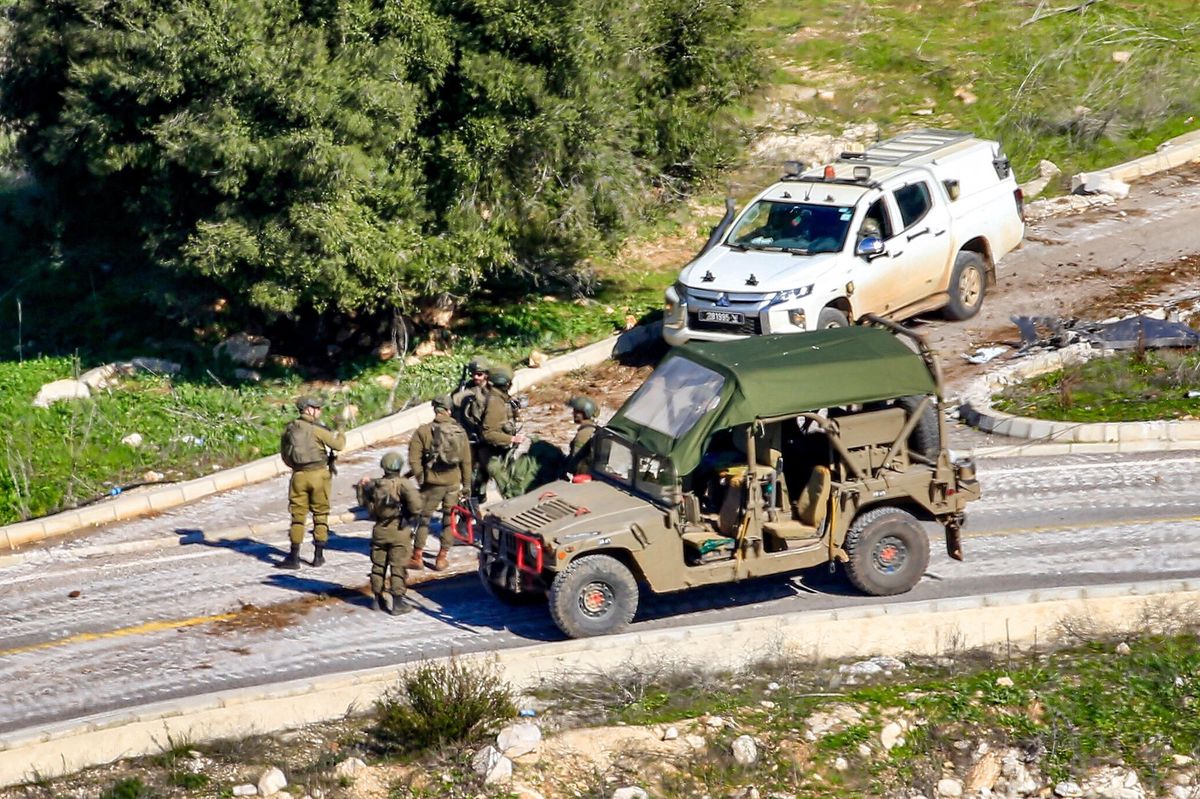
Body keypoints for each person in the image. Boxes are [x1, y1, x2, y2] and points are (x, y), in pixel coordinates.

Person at [278, 396, 345, 570]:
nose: (319, 410)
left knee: (298, 517)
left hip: (299, 476)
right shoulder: (317, 430)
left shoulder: (290, 429)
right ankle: (318, 556)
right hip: (319, 475)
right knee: (320, 515)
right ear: (309, 409)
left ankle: (293, 557)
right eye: (317, 407)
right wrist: (341, 429)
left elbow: (284, 454)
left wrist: (296, 467)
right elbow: (338, 445)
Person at [407, 394, 472, 571]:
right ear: (449, 410)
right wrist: (466, 486)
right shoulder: (459, 431)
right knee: (448, 520)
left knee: (424, 519)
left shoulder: (423, 431)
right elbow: (466, 461)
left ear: (434, 409)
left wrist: (422, 478)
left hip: (431, 484)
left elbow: (414, 459)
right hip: (453, 483)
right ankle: (441, 558)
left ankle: (417, 556)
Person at [356, 451, 421, 615]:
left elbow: (364, 504)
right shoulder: (404, 485)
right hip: (399, 530)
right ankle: (398, 602)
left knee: (378, 566)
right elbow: (417, 507)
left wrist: (361, 487)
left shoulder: (375, 485)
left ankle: (377, 599)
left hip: (379, 530)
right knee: (398, 566)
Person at [472, 364, 525, 500]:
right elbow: (489, 433)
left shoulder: (500, 397)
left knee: (478, 488)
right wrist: (512, 439)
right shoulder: (495, 402)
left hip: (501, 451)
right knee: (510, 491)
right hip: (492, 454)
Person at [564, 395, 599, 477]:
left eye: (576, 411)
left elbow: (575, 459)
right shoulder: (591, 429)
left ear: (585, 413)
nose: (573, 413)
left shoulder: (583, 433)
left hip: (581, 476)